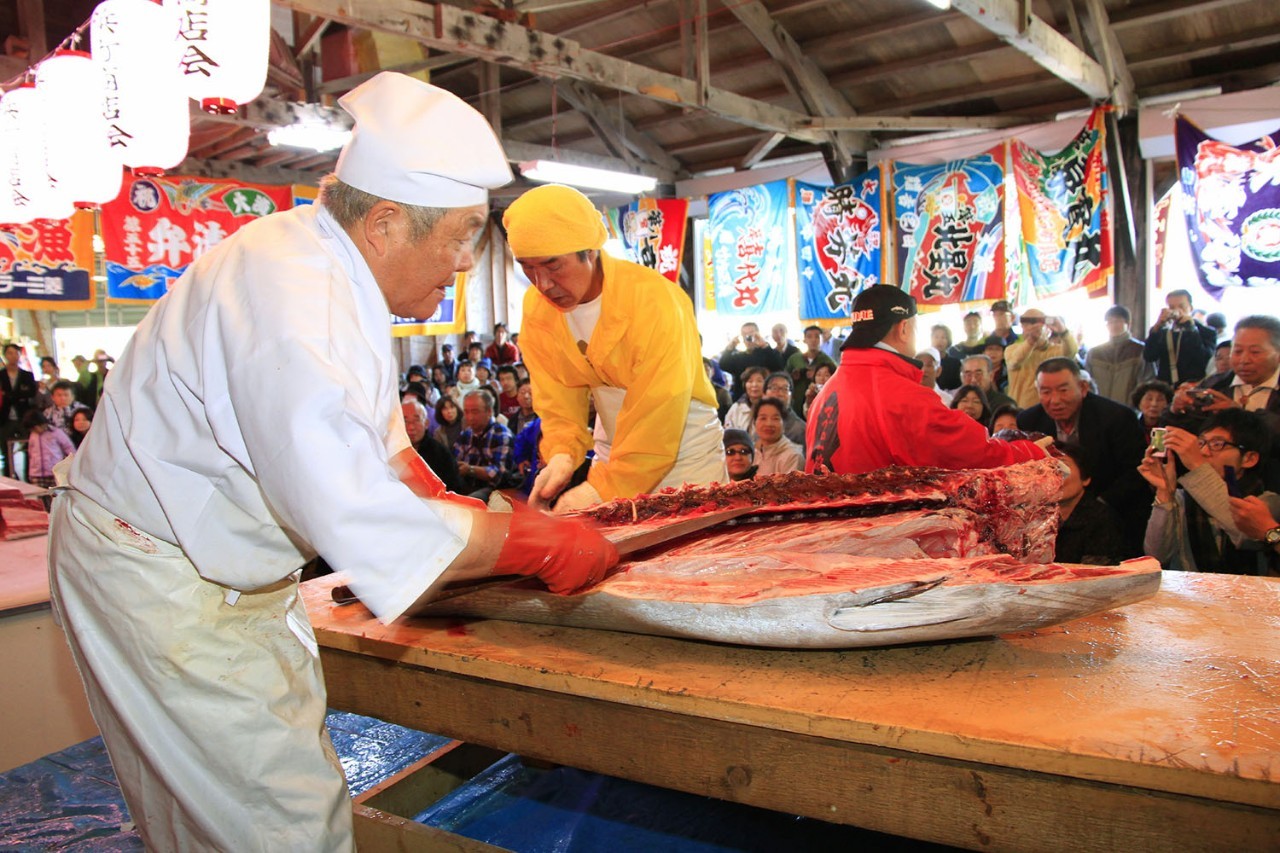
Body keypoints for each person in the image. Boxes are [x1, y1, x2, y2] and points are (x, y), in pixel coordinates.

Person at [48, 73, 617, 852]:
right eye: (457, 239)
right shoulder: (296, 301)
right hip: (159, 573)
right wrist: (531, 541)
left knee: (225, 815)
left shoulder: (328, 270)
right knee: (278, 826)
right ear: (385, 224)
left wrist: (446, 498)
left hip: (213, 564)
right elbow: (364, 516)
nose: (460, 265)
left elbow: (378, 446)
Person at [509, 187, 725, 511]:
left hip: (684, 452)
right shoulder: (538, 309)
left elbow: (658, 412)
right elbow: (556, 398)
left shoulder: (654, 301)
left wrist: (600, 490)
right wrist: (562, 453)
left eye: (553, 265)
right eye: (528, 268)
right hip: (613, 452)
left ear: (591, 251)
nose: (542, 284)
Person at [806, 285, 1047, 475]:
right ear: (904, 328)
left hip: (830, 531)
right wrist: (1031, 454)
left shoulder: (827, 391)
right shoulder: (900, 395)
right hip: (879, 533)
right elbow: (973, 454)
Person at [1016, 357, 1149, 553]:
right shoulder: (1029, 420)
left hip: (1114, 509)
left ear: (1083, 388)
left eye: (1063, 390)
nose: (1055, 400)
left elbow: (1135, 471)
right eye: (1045, 392)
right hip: (1052, 519)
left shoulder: (1116, 418)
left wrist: (1098, 506)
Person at [1140, 410, 1279, 575]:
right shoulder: (1183, 497)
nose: (1204, 452)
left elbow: (1245, 533)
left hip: (1248, 595)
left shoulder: (1267, 500)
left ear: (1249, 459)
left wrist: (1196, 465)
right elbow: (1156, 555)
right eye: (1201, 443)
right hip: (1191, 595)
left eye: (1217, 444)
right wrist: (1164, 492)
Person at [1165, 316, 1280, 458]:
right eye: (1237, 351)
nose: (1244, 360)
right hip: (1215, 475)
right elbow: (1187, 434)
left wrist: (1242, 417)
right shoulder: (1215, 385)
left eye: (1255, 352)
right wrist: (1175, 411)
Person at [1054, 441, 1125, 565]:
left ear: (1086, 479)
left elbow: (1096, 574)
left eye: (1062, 469)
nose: (1055, 477)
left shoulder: (1101, 518)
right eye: (1050, 469)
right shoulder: (1033, 516)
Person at [1005, 308, 1079, 408]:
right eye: (1026, 324)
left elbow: (1072, 352)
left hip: (1050, 409)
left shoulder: (1055, 350)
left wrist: (1063, 330)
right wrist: (1032, 341)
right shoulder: (1011, 349)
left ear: (1047, 328)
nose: (1031, 328)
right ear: (1022, 327)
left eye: (1035, 323)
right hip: (1020, 410)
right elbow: (1014, 361)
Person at [1143, 289, 1217, 385]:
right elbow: (1149, 356)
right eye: (1172, 307)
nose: (1177, 311)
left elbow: (1204, 359)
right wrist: (1157, 327)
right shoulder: (1163, 331)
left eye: (1182, 306)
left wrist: (1190, 329)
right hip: (1166, 387)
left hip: (1192, 386)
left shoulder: (1206, 332)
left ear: (1191, 308)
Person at [1086, 305, 1155, 406]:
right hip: (1099, 410)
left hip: (1129, 411)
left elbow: (1146, 383)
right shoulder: (1094, 353)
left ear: (1128, 324)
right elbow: (1088, 383)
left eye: (1118, 321)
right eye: (1110, 322)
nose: (1113, 325)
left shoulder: (1140, 351)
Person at [403, 400, 464, 495]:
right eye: (405, 421)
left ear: (426, 423)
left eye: (416, 420)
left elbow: (454, 489)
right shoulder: (390, 451)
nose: (411, 427)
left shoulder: (441, 453)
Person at [1, 342, 38, 478]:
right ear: (5, 355)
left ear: (19, 355)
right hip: (5, 419)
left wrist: (9, 395)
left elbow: (31, 393)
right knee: (5, 452)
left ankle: (29, 478)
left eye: (16, 353)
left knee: (29, 450)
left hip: (24, 417)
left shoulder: (27, 375)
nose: (13, 356)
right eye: (9, 353)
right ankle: (8, 479)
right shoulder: (1, 375)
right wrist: (19, 394)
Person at [786, 325, 837, 416]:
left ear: (822, 339)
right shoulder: (794, 359)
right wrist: (792, 377)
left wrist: (817, 376)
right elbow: (784, 377)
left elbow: (836, 382)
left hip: (820, 406)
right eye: (809, 337)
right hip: (796, 405)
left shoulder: (828, 361)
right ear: (804, 340)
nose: (813, 340)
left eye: (817, 337)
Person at [719, 322, 785, 389]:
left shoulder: (768, 353)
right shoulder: (738, 357)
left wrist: (764, 345)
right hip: (742, 395)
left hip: (765, 394)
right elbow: (723, 365)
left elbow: (779, 366)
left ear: (758, 334)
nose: (748, 337)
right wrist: (730, 348)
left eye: (751, 333)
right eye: (744, 334)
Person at [24, 410, 75, 494]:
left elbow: (69, 449)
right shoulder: (33, 435)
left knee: (55, 498)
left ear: (43, 423)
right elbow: (31, 453)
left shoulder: (56, 432)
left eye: (37, 427)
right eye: (32, 429)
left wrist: (69, 467)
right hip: (36, 474)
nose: (36, 430)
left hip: (54, 473)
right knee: (39, 500)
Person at [752, 397, 803, 475]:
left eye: (775, 418)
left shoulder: (793, 456)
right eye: (763, 418)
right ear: (754, 422)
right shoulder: (753, 451)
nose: (769, 424)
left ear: (784, 424)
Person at [764, 372, 807, 447]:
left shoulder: (799, 429)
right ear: (764, 394)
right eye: (774, 388)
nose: (780, 393)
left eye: (785, 389)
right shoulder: (757, 421)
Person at [724, 366, 768, 432]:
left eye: (759, 381)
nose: (754, 385)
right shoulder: (737, 407)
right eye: (750, 381)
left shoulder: (771, 407)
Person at [1132, 380, 1174, 444]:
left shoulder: (1172, 428)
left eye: (1160, 400)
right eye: (1149, 399)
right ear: (1139, 402)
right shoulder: (1131, 426)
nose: (1154, 404)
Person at [930, 324, 962, 390]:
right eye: (936, 337)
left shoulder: (955, 363)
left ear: (948, 341)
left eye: (943, 337)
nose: (939, 340)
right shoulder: (925, 361)